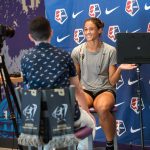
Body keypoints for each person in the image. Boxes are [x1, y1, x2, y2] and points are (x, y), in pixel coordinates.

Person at [20, 16, 95, 149]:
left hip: (36, 120)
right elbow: (77, 90)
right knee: (90, 122)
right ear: (51, 33)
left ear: (30, 37)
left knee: (47, 126)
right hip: (64, 117)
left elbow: (29, 87)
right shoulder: (64, 55)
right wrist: (87, 112)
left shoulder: (25, 59)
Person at [71, 17, 137, 150]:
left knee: (101, 107)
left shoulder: (110, 50)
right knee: (77, 107)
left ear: (99, 30)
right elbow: (75, 79)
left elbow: (112, 81)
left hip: (105, 90)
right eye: (85, 29)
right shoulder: (77, 51)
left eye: (91, 29)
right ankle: (83, 144)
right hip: (85, 90)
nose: (88, 32)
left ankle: (109, 144)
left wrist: (119, 69)